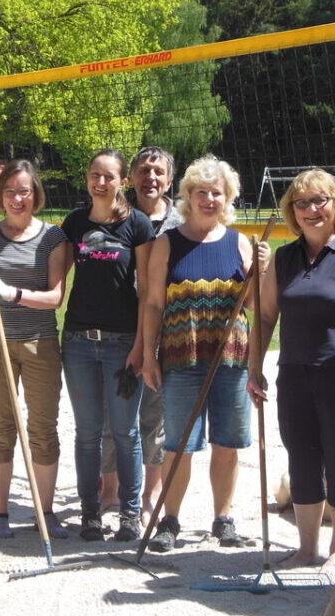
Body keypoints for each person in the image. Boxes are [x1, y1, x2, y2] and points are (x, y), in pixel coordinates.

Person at [247, 168, 335, 579]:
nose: (311, 209)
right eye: (301, 203)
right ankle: (306, 548)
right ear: (291, 211)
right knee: (301, 456)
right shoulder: (284, 258)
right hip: (295, 372)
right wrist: (255, 367)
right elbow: (265, 316)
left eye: (319, 200)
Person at [142, 155, 263, 552]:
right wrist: (147, 354)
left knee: (227, 444)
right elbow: (154, 304)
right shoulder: (167, 244)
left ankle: (223, 519)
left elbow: (254, 306)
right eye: (201, 192)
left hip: (230, 360)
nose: (209, 199)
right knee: (178, 445)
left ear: (227, 198)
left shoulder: (239, 242)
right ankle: (170, 520)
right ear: (187, 197)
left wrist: (260, 274)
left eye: (217, 193)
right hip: (181, 359)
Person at [0, 159, 70, 539]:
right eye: (10, 191)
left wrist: (11, 292)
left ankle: (45, 511)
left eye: (24, 190)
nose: (17, 198)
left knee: (43, 429)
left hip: (40, 344)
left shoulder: (53, 238)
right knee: (1, 429)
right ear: (0, 196)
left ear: (35, 194)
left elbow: (55, 297)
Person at [61, 149, 154, 542]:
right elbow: (54, 278)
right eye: (94, 175)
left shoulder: (138, 225)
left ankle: (130, 514)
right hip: (79, 342)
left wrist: (142, 346)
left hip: (122, 344)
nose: (100, 182)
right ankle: (90, 512)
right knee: (86, 432)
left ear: (122, 182)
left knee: (125, 431)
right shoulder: (75, 222)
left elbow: (148, 290)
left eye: (109, 176)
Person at [99, 146, 184, 525]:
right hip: (117, 327)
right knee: (109, 416)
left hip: (168, 333)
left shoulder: (183, 222)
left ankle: (150, 494)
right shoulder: (115, 217)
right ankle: (110, 491)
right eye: (144, 170)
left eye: (158, 171)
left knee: (156, 419)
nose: (151, 177)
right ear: (131, 177)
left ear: (170, 179)